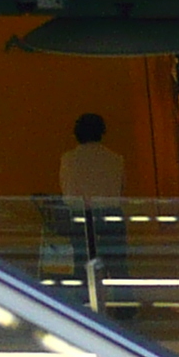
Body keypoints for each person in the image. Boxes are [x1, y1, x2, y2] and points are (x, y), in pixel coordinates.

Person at [60, 111, 129, 275]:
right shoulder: (116, 159)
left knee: (82, 266)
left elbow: (67, 194)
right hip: (111, 216)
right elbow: (121, 190)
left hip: (80, 217)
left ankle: (83, 298)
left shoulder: (68, 159)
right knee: (118, 268)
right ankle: (122, 297)